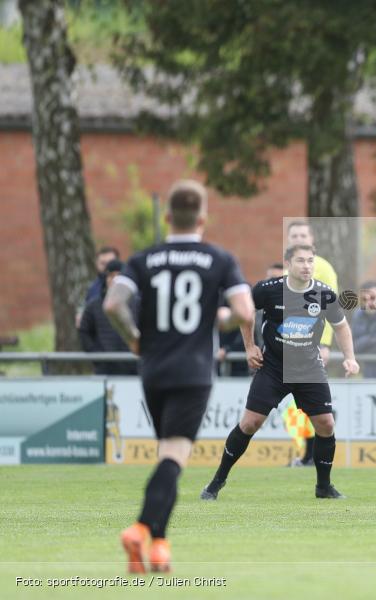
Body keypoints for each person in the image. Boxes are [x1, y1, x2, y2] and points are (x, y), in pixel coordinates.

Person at [104, 180, 255, 573]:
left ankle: (160, 546)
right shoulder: (219, 259)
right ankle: (140, 528)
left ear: (168, 217)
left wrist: (134, 339)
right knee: (174, 456)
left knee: (166, 454)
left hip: (153, 368)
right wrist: (218, 319)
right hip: (193, 370)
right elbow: (244, 310)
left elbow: (113, 304)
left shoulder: (143, 259)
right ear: (203, 218)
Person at [200, 243, 359, 502]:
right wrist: (250, 346)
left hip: (309, 368)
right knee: (250, 423)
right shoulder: (268, 290)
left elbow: (341, 327)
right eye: (301, 261)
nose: (307, 266)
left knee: (326, 424)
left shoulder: (324, 294)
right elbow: (246, 314)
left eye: (310, 261)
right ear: (288, 264)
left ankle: (324, 486)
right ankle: (217, 482)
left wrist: (350, 358)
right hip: (273, 368)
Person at [285, 221, 339, 366]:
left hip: (314, 343)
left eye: (303, 235)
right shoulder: (286, 270)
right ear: (288, 239)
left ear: (311, 239)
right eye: (294, 236)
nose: (298, 239)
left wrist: (324, 344)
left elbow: (331, 308)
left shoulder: (324, 268)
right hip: (288, 343)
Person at [78, 259, 138, 375]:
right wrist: (97, 356)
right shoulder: (93, 306)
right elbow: (84, 331)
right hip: (105, 370)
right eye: (110, 276)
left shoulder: (138, 304)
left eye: (118, 276)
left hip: (133, 367)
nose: (114, 280)